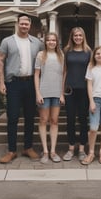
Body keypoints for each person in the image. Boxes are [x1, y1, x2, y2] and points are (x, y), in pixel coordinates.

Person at [0, 14, 44, 164]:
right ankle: (11, 151)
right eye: (22, 23)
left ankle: (28, 147)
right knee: (13, 117)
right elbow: (0, 60)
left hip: (31, 83)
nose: (24, 26)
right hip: (14, 83)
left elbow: (44, 60)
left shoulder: (37, 43)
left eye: (27, 24)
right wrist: (1, 82)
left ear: (30, 25)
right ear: (17, 24)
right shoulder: (7, 41)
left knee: (30, 117)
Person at [34, 32, 65, 164]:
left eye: (54, 40)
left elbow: (63, 75)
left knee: (54, 121)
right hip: (44, 92)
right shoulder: (41, 55)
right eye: (49, 40)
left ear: (57, 42)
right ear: (45, 42)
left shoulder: (61, 55)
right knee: (43, 120)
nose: (51, 42)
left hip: (57, 92)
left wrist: (62, 93)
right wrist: (38, 93)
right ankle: (45, 151)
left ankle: (53, 151)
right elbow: (36, 75)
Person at [62, 27, 91, 162]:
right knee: (70, 120)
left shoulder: (88, 52)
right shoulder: (67, 51)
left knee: (83, 120)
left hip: (84, 90)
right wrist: (61, 92)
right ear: (72, 37)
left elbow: (92, 73)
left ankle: (81, 149)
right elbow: (64, 72)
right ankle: (71, 148)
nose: (78, 37)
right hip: (70, 91)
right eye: (75, 35)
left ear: (83, 36)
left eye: (80, 35)